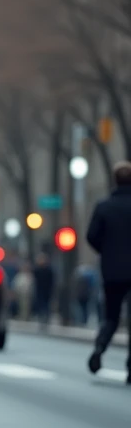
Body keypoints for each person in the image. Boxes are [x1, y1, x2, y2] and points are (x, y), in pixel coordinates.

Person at [86, 161, 131, 382]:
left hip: (112, 271)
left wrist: (106, 251)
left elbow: (91, 236)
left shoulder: (104, 206)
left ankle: (100, 348)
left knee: (111, 317)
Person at [32, 251, 55, 328]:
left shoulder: (49, 270)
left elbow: (52, 282)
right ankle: (41, 319)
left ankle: (46, 319)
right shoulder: (37, 270)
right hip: (39, 291)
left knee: (47, 306)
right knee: (40, 306)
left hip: (47, 291)